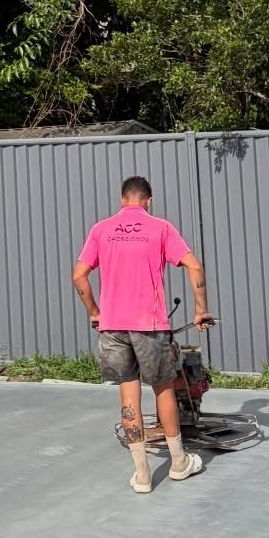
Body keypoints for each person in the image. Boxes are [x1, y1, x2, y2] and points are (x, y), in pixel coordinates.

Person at [72, 175, 211, 493]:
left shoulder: (101, 229)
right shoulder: (160, 227)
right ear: (149, 201)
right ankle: (178, 463)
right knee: (163, 390)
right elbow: (195, 266)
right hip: (149, 326)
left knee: (128, 394)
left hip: (113, 326)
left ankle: (142, 474)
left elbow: (79, 276)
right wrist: (200, 309)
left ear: (123, 200)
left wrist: (95, 312)